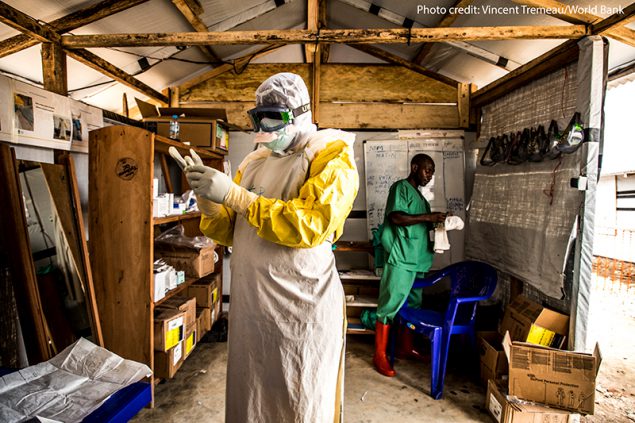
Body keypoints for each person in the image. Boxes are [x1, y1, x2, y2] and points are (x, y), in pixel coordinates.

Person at [169, 72, 358, 422]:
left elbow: (311, 224)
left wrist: (236, 195)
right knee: (252, 398)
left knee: (299, 397)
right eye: (260, 116)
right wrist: (211, 201)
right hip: (253, 309)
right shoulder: (254, 161)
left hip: (301, 308)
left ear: (300, 112)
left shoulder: (330, 155)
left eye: (275, 116)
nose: (266, 126)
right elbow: (233, 230)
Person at [373, 153, 447, 377]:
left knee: (412, 306)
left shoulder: (421, 197)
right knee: (389, 306)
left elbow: (418, 224)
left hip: (416, 260)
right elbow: (396, 218)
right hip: (401, 259)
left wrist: (439, 222)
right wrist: (428, 218)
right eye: (427, 170)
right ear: (415, 167)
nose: (430, 175)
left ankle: (406, 347)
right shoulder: (401, 188)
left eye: (432, 172)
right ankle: (380, 355)